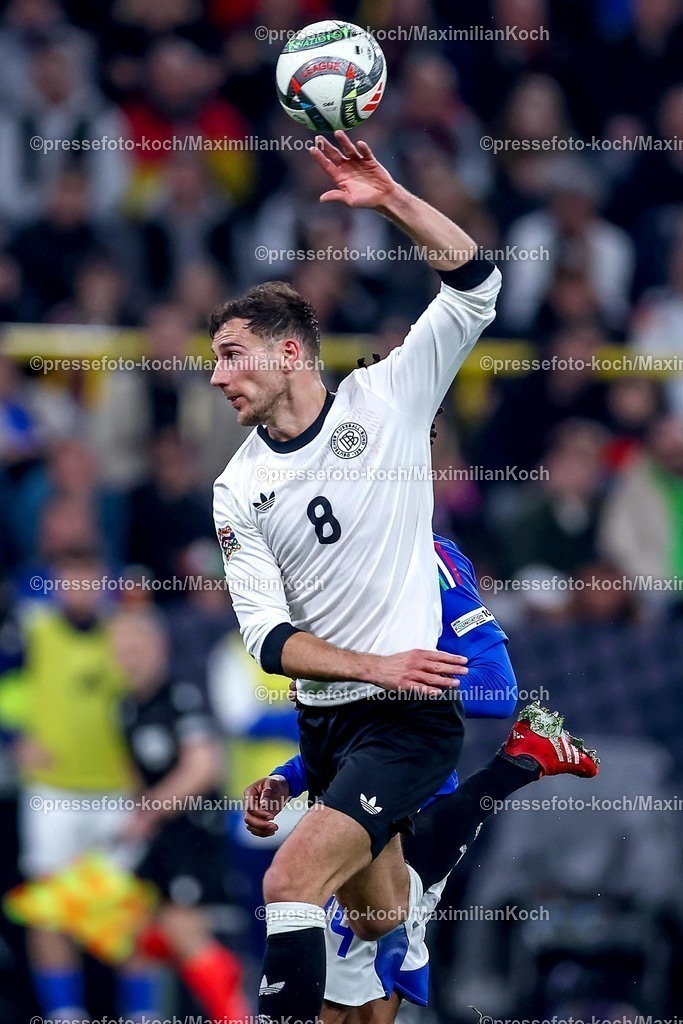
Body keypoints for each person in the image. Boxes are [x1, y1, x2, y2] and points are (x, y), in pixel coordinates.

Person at [211, 129, 502, 1017]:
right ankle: (407, 916)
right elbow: (266, 637)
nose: (215, 373)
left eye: (230, 353)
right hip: (328, 727)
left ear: (289, 352)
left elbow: (476, 286)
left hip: (409, 720)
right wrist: (307, 763)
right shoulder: (237, 488)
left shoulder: (387, 398)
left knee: (287, 886)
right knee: (371, 931)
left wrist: (391, 199)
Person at [243, 531, 600, 1020]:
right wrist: (288, 779)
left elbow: (496, 688)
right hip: (353, 795)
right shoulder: (318, 553)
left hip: (405, 799)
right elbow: (339, 721)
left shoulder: (428, 557)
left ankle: (518, 763)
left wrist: (390, 682)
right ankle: (521, 761)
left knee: (346, 997)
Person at [110, 609, 249, 1021]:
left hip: (192, 833)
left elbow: (204, 767)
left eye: (138, 648)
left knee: (185, 931)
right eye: (121, 650)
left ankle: (236, 1015)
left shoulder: (180, 697)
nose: (130, 658)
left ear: (160, 649)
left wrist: (149, 812)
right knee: (132, 934)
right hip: (157, 838)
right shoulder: (125, 707)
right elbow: (136, 774)